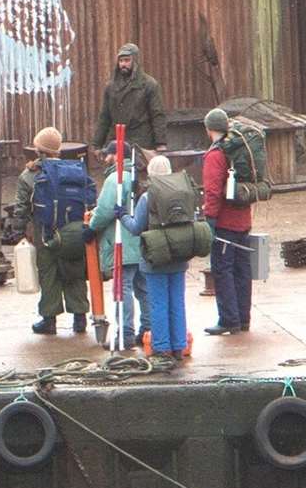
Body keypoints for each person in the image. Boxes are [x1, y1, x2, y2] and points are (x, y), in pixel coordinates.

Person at [22, 127, 93, 336]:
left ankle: (49, 320)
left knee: (49, 274)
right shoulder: (77, 170)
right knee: (75, 272)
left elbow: (21, 206)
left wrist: (19, 230)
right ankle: (80, 319)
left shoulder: (31, 174)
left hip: (45, 232)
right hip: (74, 231)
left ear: (38, 150)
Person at [122, 155, 189, 357]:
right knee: (177, 302)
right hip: (179, 255)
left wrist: (122, 215)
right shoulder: (183, 192)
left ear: (150, 172)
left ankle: (161, 348)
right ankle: (179, 346)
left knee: (158, 302)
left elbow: (136, 228)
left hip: (155, 257)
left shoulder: (148, 196)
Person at [202, 108, 255, 336]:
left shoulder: (216, 155)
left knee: (223, 271)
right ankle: (243, 319)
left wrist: (210, 219)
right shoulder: (239, 151)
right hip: (243, 220)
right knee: (243, 271)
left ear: (208, 129)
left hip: (225, 224)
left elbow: (212, 191)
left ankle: (228, 320)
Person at [86, 149, 145, 348]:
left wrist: (92, 228)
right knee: (143, 290)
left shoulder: (116, 179)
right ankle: (148, 331)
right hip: (142, 242)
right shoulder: (139, 175)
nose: (103, 159)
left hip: (123, 243)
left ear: (115, 155)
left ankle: (125, 334)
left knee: (123, 289)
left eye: (107, 155)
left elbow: (105, 210)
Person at [94, 42, 167, 155]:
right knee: (115, 172)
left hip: (141, 142)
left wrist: (160, 143)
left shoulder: (149, 84)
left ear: (135, 61)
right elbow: (104, 116)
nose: (123, 64)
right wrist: (97, 144)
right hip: (116, 141)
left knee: (137, 170)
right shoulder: (111, 86)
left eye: (127, 60)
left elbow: (157, 115)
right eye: (121, 61)